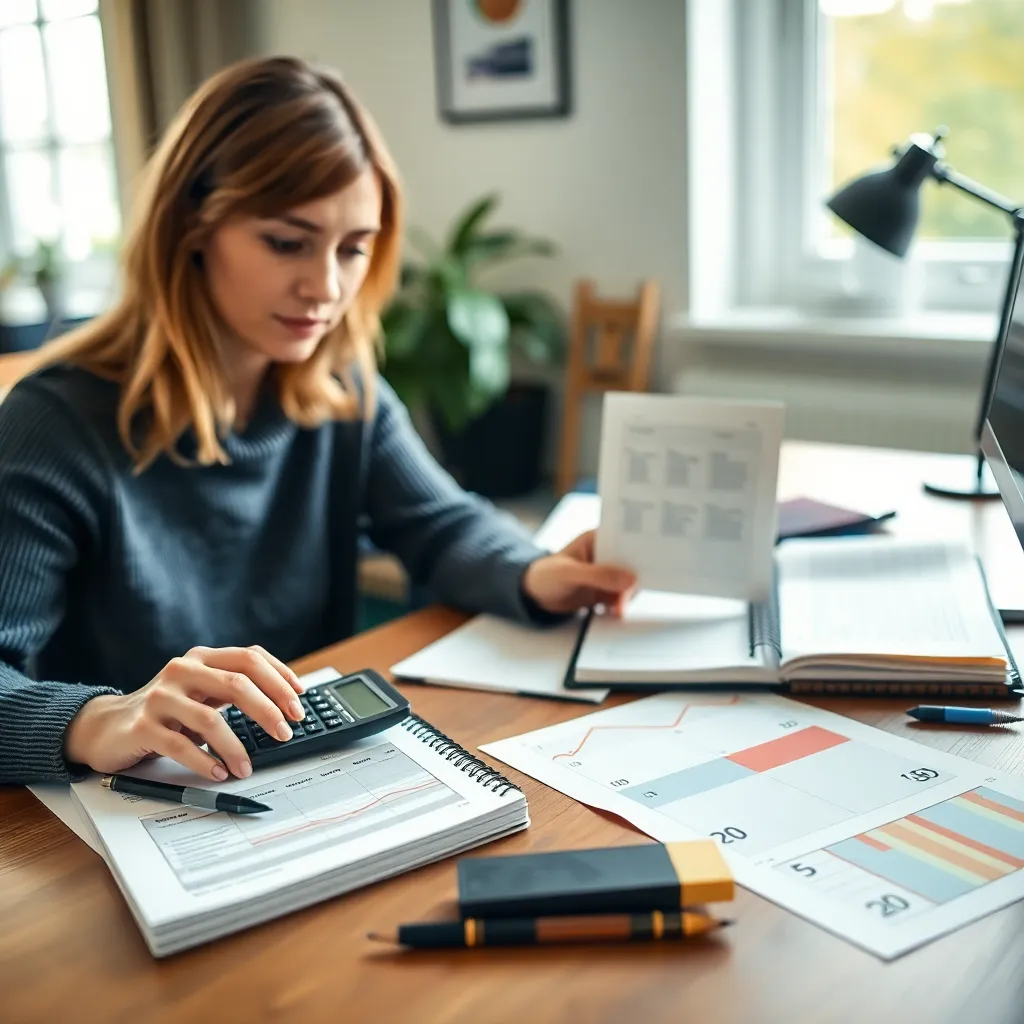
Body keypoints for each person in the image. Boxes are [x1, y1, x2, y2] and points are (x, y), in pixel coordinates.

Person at [0, 56, 635, 787]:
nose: (326, 288)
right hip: (141, 811)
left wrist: (535, 573)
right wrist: (97, 718)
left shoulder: (340, 387)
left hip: (312, 779)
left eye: (354, 248)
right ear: (192, 228)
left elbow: (440, 522)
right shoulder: (53, 422)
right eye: (286, 241)